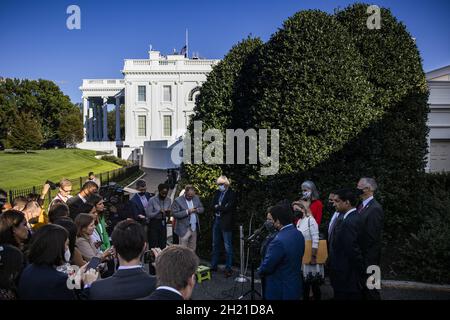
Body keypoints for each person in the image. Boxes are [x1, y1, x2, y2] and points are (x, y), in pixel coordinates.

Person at [17, 224, 98, 300]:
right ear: (56, 249)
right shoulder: (59, 280)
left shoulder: (29, 269)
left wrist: (77, 276)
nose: (68, 249)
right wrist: (88, 285)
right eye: (66, 245)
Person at [89, 220, 156, 300]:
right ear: (144, 246)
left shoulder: (97, 288)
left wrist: (88, 287)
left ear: (115, 249)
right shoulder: (158, 284)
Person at [258, 205, 305, 300]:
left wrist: (260, 270)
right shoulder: (298, 233)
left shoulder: (278, 241)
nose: (268, 222)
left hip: (279, 289)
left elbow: (268, 266)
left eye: (270, 220)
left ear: (278, 221)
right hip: (294, 286)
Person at [328, 188, 364, 300]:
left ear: (347, 202)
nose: (334, 204)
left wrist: (360, 269)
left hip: (346, 274)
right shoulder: (349, 218)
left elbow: (352, 249)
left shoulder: (349, 221)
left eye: (337, 201)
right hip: (345, 273)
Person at [357, 177, 384, 300]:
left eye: (359, 188)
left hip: (370, 258)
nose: (357, 190)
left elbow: (372, 237)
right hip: (362, 257)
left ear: (367, 189)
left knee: (372, 290)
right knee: (362, 289)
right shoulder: (361, 206)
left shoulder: (375, 208)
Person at [294, 200, 323, 300]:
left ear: (303, 209)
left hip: (311, 257)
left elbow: (316, 239)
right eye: (294, 210)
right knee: (304, 285)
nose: (295, 212)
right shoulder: (299, 221)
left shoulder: (311, 220)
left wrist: (313, 256)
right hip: (303, 257)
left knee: (314, 285)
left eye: (297, 209)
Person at [210, 175, 236, 277]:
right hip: (217, 220)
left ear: (226, 184)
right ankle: (214, 265)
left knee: (227, 246)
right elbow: (212, 205)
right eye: (218, 184)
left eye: (220, 184)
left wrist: (218, 207)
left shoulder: (232, 194)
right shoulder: (217, 193)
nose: (219, 186)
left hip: (226, 222)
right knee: (215, 244)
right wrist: (220, 207)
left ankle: (228, 268)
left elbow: (228, 208)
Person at [171, 185, 204, 251]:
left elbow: (202, 209)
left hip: (194, 228)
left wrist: (197, 210)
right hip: (183, 229)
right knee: (182, 250)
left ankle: (191, 261)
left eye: (192, 196)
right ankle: (182, 261)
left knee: (192, 249)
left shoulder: (196, 198)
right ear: (185, 193)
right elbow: (175, 214)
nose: (190, 197)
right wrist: (187, 212)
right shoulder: (178, 200)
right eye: (189, 195)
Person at [146, 183, 171, 250]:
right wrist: (158, 211)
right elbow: (148, 214)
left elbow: (169, 213)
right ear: (159, 191)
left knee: (163, 243)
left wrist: (169, 213)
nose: (164, 195)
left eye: (166, 193)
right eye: (163, 193)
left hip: (163, 223)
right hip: (154, 223)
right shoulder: (152, 200)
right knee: (153, 243)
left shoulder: (168, 200)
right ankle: (152, 259)